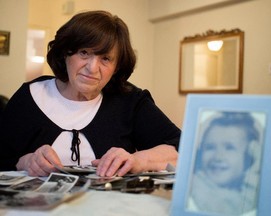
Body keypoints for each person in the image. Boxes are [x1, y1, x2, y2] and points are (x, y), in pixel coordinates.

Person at [0, 10, 180, 177]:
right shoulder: (29, 97)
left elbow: (183, 148)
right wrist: (24, 162)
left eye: (106, 58)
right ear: (65, 53)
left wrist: (138, 160)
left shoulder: (130, 102)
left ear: (116, 67)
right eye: (84, 53)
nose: (92, 68)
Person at [188, 111, 262, 215]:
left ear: (249, 156)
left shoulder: (245, 195)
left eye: (229, 148)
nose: (218, 157)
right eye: (210, 147)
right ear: (200, 153)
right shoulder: (198, 190)